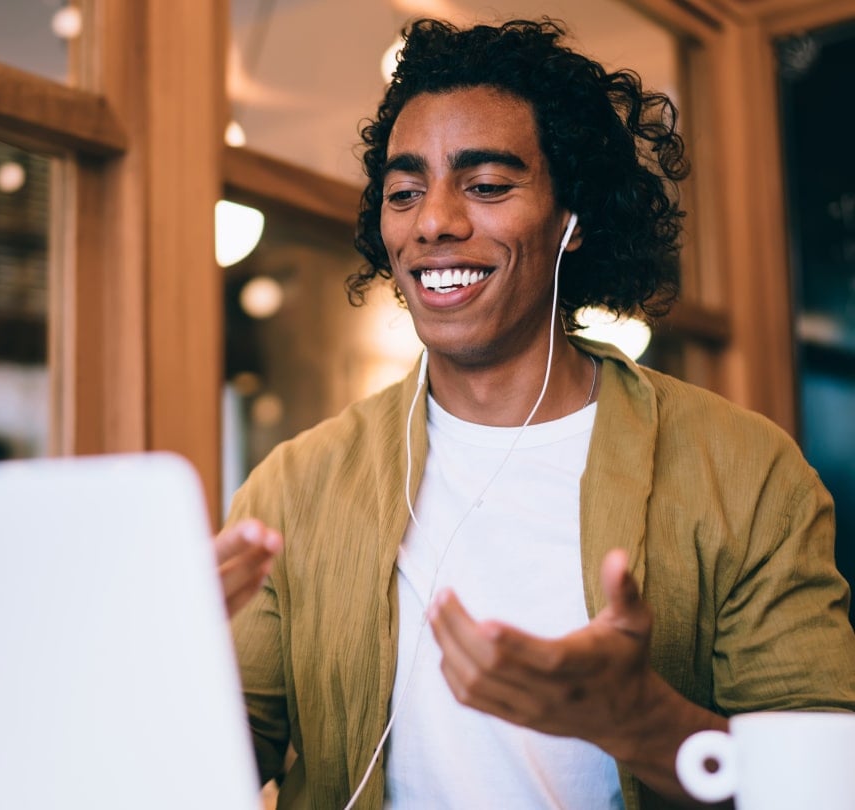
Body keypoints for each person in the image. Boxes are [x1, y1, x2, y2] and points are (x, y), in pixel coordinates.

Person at [214, 16, 855, 810]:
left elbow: (824, 789)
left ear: (572, 220)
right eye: (404, 192)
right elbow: (211, 767)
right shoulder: (294, 487)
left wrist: (642, 720)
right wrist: (168, 661)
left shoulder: (746, 470)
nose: (433, 222)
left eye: (485, 186)